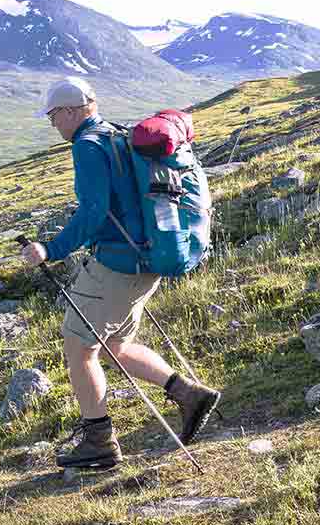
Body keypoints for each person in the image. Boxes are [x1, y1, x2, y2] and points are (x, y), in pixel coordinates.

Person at [19, 76, 221, 468]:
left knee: (79, 349)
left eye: (54, 115)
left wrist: (51, 249)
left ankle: (99, 441)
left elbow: (93, 212)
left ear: (74, 111)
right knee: (115, 346)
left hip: (117, 265)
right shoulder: (116, 134)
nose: (53, 123)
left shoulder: (88, 146)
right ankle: (190, 395)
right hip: (148, 257)